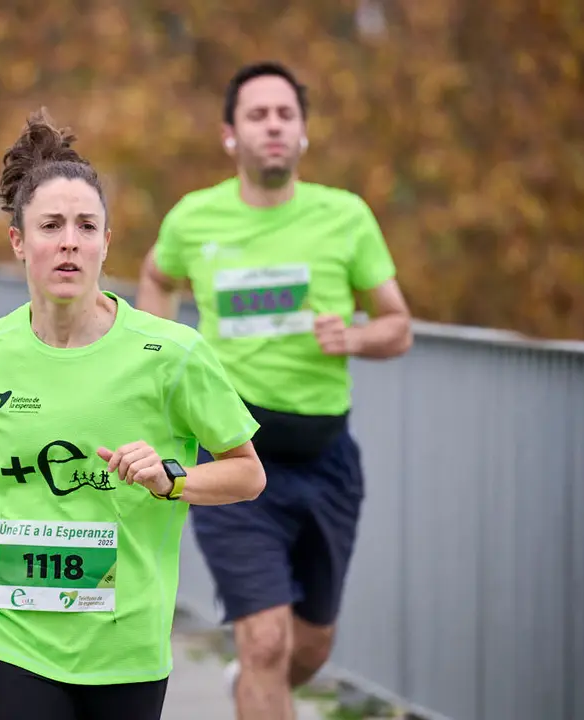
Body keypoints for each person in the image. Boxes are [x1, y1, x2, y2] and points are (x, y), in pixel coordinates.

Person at [0, 110, 267, 720]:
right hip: (6, 633)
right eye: (50, 225)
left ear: (105, 241)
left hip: (126, 643)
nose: (69, 240)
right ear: (19, 241)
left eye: (86, 225)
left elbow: (247, 474)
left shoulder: (172, 354)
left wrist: (172, 478)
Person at [135, 61, 414, 719]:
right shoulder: (192, 218)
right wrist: (157, 358)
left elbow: (398, 326)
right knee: (263, 640)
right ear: (229, 134)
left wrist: (355, 338)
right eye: (257, 115)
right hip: (235, 457)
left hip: (325, 459)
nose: (272, 127)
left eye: (284, 115)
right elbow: (155, 275)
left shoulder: (344, 217)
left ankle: (255, 689)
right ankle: (256, 677)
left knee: (309, 647)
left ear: (303, 134)